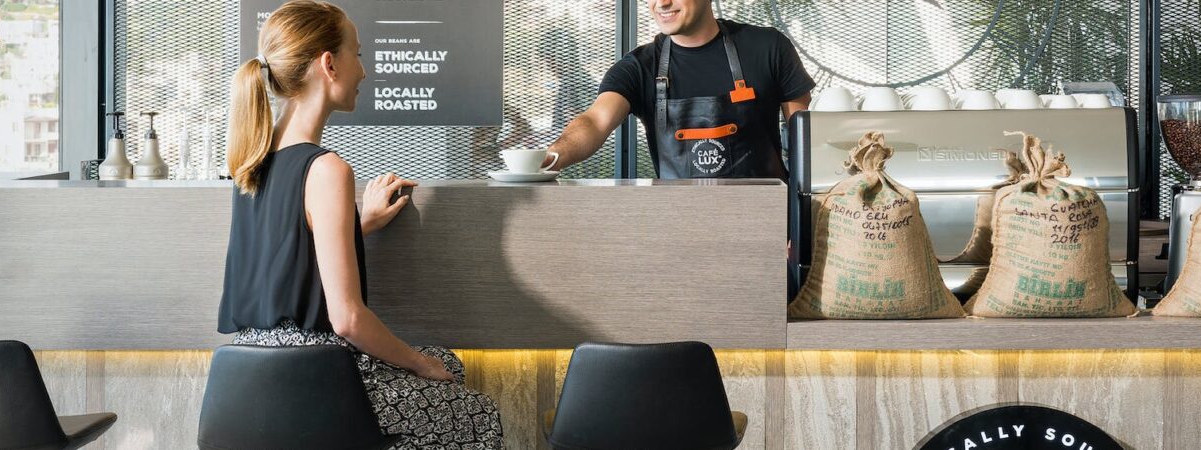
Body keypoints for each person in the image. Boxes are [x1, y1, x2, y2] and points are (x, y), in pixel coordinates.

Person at [216, 2, 503, 447]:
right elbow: (347, 319)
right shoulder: (327, 169)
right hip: (318, 379)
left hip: (251, 382)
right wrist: (420, 365)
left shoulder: (252, 160)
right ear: (329, 64)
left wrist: (356, 225)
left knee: (449, 365)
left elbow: (287, 254)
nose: (365, 72)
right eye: (359, 53)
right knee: (475, 412)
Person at [546, 0, 815, 178]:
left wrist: (797, 220)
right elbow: (594, 121)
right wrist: (549, 159)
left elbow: (805, 142)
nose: (661, 3)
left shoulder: (769, 48)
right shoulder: (639, 68)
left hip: (767, 231)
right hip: (678, 231)